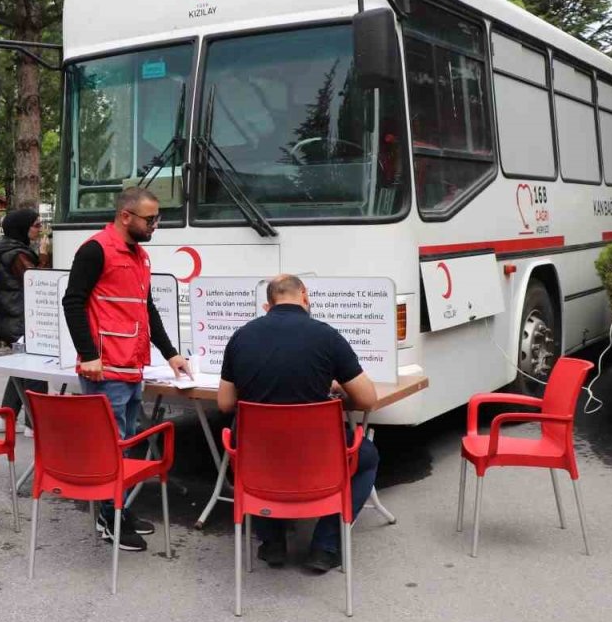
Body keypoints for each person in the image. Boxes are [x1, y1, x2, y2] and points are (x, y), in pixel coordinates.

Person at [217, 273, 379, 573]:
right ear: (304, 296)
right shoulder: (326, 336)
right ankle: (326, 546)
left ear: (269, 303)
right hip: (316, 453)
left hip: (259, 453)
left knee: (251, 456)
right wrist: (338, 395)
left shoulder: (241, 336)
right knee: (366, 456)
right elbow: (368, 398)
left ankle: (273, 542)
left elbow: (225, 403)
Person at [61, 187, 192, 552]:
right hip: (105, 370)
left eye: (157, 219)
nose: (155, 225)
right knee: (111, 445)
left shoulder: (140, 257)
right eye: (150, 219)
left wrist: (171, 354)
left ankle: (121, 507)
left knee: (128, 440)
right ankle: (109, 517)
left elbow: (147, 309)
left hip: (132, 366)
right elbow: (72, 301)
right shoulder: (95, 250)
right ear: (125, 216)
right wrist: (88, 354)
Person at [0, 207, 44, 436]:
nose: (40, 229)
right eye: (37, 225)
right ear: (23, 228)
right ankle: (35, 423)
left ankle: (5, 416)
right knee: (36, 368)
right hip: (21, 318)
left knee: (22, 367)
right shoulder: (17, 254)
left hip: (13, 316)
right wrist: (45, 256)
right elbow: (37, 282)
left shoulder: (12, 249)